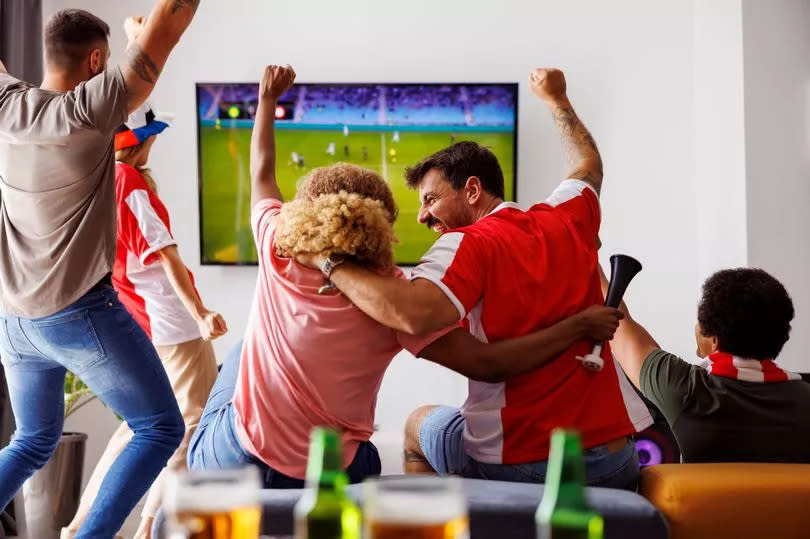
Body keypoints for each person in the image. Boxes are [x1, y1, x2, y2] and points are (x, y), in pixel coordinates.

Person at [187, 65, 626, 488]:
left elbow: (262, 175)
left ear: (472, 190)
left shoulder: (285, 243)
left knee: (249, 353)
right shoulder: (569, 213)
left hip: (521, 460)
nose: (422, 216)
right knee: (367, 453)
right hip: (616, 456)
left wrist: (327, 260)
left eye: (431, 200)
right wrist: (557, 99)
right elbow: (589, 162)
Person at [0, 3, 200, 537]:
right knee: (160, 428)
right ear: (95, 61)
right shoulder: (87, 113)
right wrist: (141, 37)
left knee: (32, 440)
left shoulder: (4, 103)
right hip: (76, 316)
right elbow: (169, 22)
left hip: (14, 322)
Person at [63, 104, 226, 539]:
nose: (155, 139)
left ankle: (85, 526)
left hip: (142, 319)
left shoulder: (95, 181)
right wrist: (201, 312)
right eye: (151, 133)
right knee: (190, 426)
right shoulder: (129, 182)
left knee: (142, 427)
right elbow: (166, 255)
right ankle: (149, 528)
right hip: (173, 323)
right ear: (140, 141)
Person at [605, 267, 810, 463]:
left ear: (714, 341)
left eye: (700, 322)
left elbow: (619, 325)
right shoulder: (804, 398)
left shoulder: (687, 389)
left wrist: (586, 251)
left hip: (706, 501)